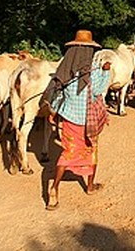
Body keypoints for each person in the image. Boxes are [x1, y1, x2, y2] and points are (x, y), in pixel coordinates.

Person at [46, 29, 111, 210]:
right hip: (87, 121)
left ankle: (53, 189)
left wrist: (54, 112)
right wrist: (105, 72)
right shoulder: (93, 71)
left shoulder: (65, 69)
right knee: (91, 151)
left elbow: (58, 93)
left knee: (67, 152)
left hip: (69, 120)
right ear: (89, 51)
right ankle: (89, 186)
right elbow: (97, 92)